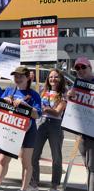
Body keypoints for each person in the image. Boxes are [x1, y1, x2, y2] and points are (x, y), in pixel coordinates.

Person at [0, 66, 41, 191]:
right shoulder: (9, 90)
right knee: (3, 160)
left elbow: (37, 114)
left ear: (27, 77)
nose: (18, 78)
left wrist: (26, 106)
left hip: (28, 131)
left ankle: (24, 188)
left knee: (26, 162)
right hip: (11, 130)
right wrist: (4, 100)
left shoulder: (34, 94)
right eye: (16, 76)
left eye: (20, 76)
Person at [30, 69, 67, 191]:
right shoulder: (42, 90)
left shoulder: (63, 93)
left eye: (56, 77)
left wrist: (44, 109)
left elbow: (57, 112)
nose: (53, 79)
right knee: (34, 155)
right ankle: (34, 181)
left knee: (56, 156)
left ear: (60, 78)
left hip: (55, 125)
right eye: (51, 77)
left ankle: (55, 184)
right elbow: (36, 106)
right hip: (40, 123)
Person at [67, 56, 94, 191]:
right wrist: (68, 97)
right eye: (77, 68)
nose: (80, 70)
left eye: (83, 67)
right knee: (88, 166)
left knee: (92, 167)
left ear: (90, 68)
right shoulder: (76, 84)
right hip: (81, 132)